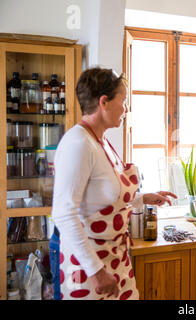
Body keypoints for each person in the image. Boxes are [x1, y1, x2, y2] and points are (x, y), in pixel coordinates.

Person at [49, 67, 177, 300]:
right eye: (124, 100)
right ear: (104, 102)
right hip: (87, 264)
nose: (126, 108)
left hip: (115, 257)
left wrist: (142, 198)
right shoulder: (78, 143)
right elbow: (63, 214)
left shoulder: (101, 141)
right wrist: (96, 272)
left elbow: (102, 196)